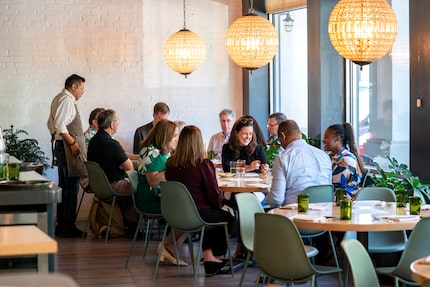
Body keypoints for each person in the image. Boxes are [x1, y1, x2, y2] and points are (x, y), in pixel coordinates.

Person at [165, 125, 235, 276]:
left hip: (176, 214)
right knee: (228, 215)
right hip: (199, 213)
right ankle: (213, 257)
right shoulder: (203, 164)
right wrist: (222, 204)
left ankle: (209, 255)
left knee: (216, 212)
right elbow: (213, 195)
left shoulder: (170, 164)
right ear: (199, 142)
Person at [135, 119, 187, 266]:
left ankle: (170, 246)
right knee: (190, 212)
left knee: (192, 209)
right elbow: (153, 181)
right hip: (150, 200)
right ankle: (168, 246)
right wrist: (173, 168)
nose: (177, 139)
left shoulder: (159, 151)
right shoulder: (152, 152)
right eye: (175, 135)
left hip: (160, 197)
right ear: (165, 136)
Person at [47, 74, 87, 238]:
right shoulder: (67, 100)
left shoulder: (59, 98)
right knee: (71, 188)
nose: (83, 92)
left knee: (66, 187)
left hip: (62, 147)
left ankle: (63, 224)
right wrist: (73, 143)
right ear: (74, 86)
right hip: (67, 148)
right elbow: (59, 125)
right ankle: (67, 226)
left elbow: (51, 124)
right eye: (82, 88)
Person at [265, 119, 332, 207]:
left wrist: (265, 198)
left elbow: (276, 199)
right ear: (300, 134)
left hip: (294, 214)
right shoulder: (324, 155)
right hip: (325, 213)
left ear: (283, 136)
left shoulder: (283, 158)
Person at [87, 109, 133, 195]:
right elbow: (129, 167)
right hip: (113, 186)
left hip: (98, 186)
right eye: (117, 121)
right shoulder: (112, 144)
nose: (118, 124)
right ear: (112, 125)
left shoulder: (92, 141)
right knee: (143, 188)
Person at [323, 123, 365, 198]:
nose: (323, 140)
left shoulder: (345, 160)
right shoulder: (330, 155)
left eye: (326, 137)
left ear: (337, 139)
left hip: (344, 200)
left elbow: (337, 189)